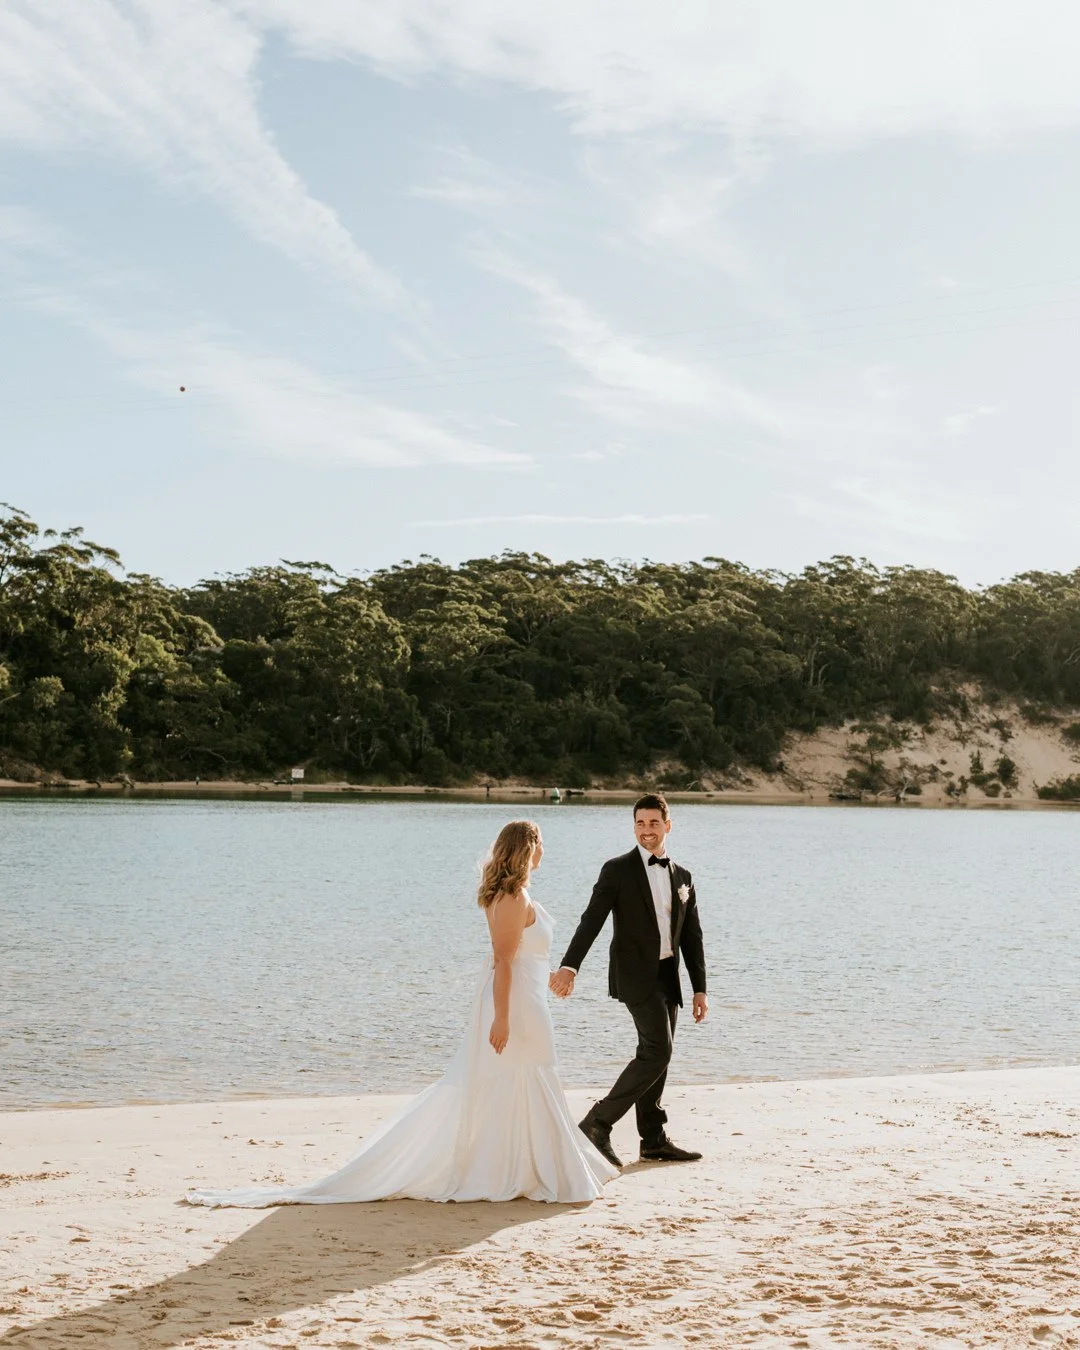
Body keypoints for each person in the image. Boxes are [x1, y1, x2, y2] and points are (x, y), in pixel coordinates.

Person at [185, 820, 616, 1207]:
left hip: (529, 997)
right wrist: (501, 1018)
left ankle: (532, 1166)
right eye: (541, 844)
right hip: (515, 1001)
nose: (545, 853)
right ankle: (512, 1169)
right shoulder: (512, 896)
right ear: (528, 847)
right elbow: (503, 961)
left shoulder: (518, 894)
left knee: (530, 1078)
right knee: (514, 1077)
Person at [549, 793, 708, 1167]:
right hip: (635, 976)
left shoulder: (682, 876)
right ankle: (597, 1122)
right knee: (657, 1051)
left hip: (668, 977)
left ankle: (652, 1139)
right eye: (640, 823)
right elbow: (591, 920)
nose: (646, 830)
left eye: (654, 823)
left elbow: (692, 936)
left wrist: (700, 988)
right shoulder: (617, 869)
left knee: (658, 1058)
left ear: (668, 826)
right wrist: (569, 967)